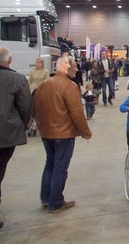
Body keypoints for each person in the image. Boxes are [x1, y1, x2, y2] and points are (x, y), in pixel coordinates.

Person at [32, 55, 92, 213]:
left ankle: (46, 198)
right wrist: (86, 132)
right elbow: (76, 112)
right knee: (60, 168)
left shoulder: (44, 85)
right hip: (63, 134)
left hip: (46, 133)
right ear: (67, 67)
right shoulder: (70, 86)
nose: (77, 69)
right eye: (75, 67)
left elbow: (34, 108)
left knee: (50, 164)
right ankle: (56, 202)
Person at [0, 47, 31, 233]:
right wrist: (21, 126)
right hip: (4, 136)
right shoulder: (17, 79)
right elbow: (25, 107)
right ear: (10, 60)